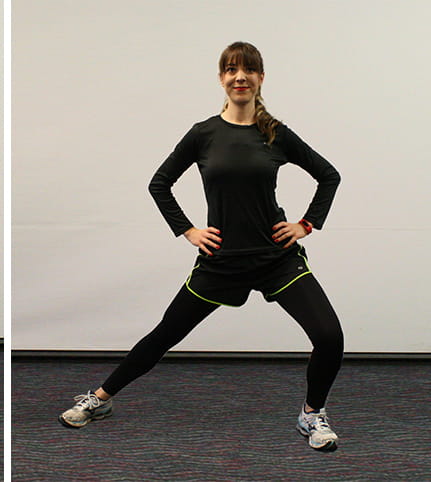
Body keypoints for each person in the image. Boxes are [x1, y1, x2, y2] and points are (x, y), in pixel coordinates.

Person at [58, 42, 343, 451]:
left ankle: (312, 414)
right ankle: (100, 399)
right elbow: (159, 184)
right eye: (231, 70)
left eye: (248, 70)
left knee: (330, 336)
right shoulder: (203, 134)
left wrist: (306, 224)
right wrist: (189, 230)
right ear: (221, 79)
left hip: (276, 258)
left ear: (261, 78)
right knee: (164, 335)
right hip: (221, 261)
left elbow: (328, 175)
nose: (239, 77)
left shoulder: (276, 134)